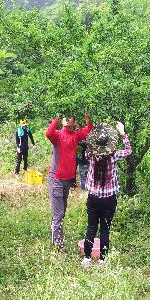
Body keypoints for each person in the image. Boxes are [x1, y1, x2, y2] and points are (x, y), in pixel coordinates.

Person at [81, 121, 131, 267]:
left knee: (91, 228)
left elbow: (87, 148)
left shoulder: (90, 154)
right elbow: (128, 151)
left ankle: (87, 258)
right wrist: (122, 133)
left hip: (93, 198)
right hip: (109, 199)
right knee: (105, 229)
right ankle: (102, 260)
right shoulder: (114, 155)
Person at [45, 112, 93, 250]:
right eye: (65, 117)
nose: (67, 119)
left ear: (74, 122)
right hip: (56, 180)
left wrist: (87, 119)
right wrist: (56, 119)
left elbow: (88, 130)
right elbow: (49, 133)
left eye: (70, 117)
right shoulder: (58, 135)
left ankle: (55, 235)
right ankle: (58, 245)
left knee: (61, 212)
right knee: (59, 214)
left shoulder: (75, 136)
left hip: (67, 180)